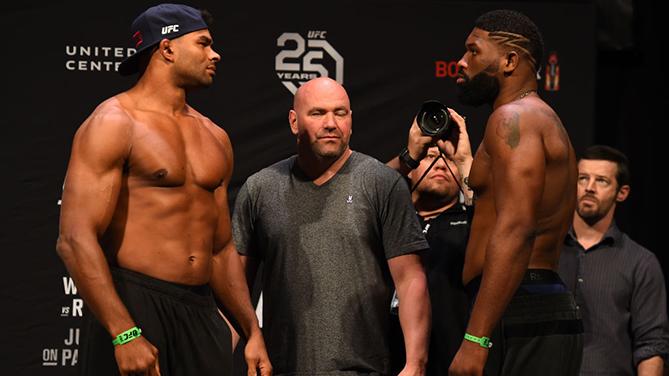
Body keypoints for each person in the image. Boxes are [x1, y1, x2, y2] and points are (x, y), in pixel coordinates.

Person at [55, 4, 271, 375]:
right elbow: (75, 239)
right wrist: (123, 332)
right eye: (203, 44)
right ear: (167, 49)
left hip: (200, 310)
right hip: (136, 301)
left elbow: (220, 248)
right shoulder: (113, 122)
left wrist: (252, 330)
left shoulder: (214, 136)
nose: (214, 54)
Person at [232, 77, 431, 375]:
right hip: (280, 367)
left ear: (351, 120)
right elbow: (235, 286)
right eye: (317, 113)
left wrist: (416, 363)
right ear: (294, 122)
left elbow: (410, 279)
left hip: (364, 368)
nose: (331, 123)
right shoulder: (260, 189)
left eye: (340, 113)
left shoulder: (382, 183)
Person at [448, 9, 583, 376]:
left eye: (473, 51)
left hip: (517, 309)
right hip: (529, 305)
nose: (461, 63)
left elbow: (516, 226)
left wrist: (476, 339)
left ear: (509, 60)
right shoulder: (537, 118)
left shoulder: (513, 119)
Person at [558, 145, 669, 375]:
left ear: (622, 192)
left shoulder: (640, 262)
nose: (589, 188)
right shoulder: (546, 252)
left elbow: (651, 344)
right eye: (582, 178)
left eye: (601, 181)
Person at [387, 109, 474, 375]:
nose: (439, 165)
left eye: (446, 160)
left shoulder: (473, 221)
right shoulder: (388, 219)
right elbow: (365, 193)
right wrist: (410, 155)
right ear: (412, 171)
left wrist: (464, 161)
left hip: (449, 360)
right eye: (429, 157)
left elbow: (501, 228)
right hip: (383, 359)